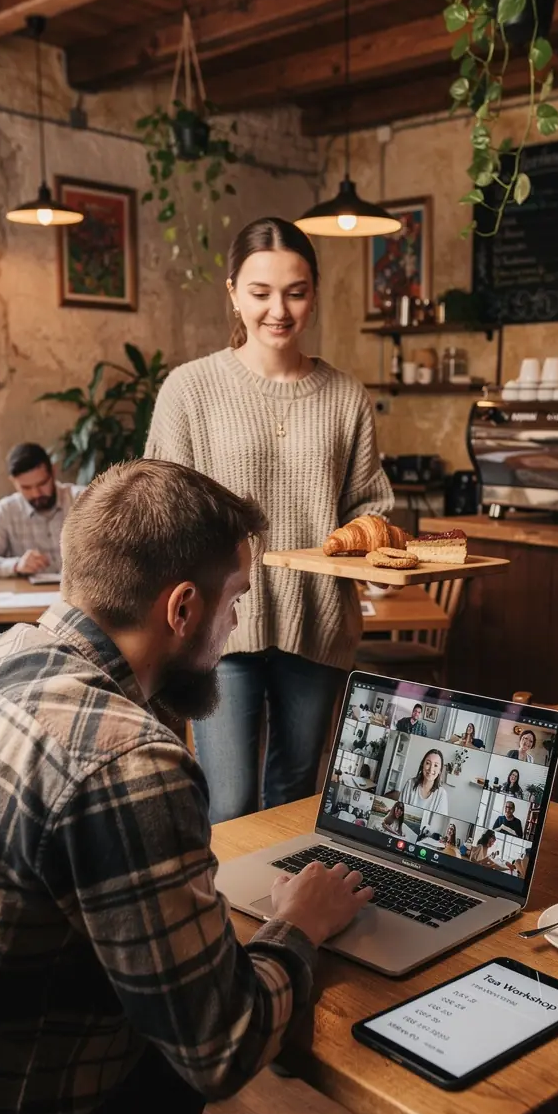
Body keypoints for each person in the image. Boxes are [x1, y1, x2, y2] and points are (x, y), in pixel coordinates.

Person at [0, 460, 394, 1114]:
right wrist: (297, 923)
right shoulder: (127, 759)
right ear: (181, 607)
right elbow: (224, 1048)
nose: (236, 623)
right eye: (235, 600)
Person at [145, 218, 394, 824]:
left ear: (314, 292)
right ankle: (225, 920)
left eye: (296, 291)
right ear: (232, 291)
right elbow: (158, 504)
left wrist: (375, 550)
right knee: (228, 804)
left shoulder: (345, 395)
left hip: (319, 618)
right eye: (260, 293)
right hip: (218, 627)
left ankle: (289, 918)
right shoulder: (191, 389)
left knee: (296, 796)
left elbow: (370, 504)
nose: (278, 310)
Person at [0, 442, 85, 577]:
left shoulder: (84, 500)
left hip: (82, 593)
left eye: (42, 484)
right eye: (26, 488)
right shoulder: (6, 510)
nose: (36, 494)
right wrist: (16, 565)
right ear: (14, 482)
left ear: (52, 472)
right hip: (31, 594)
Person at [400, 749, 448, 814]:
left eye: (436, 765)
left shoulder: (441, 794)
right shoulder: (410, 783)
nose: (431, 769)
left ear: (440, 770)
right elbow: (400, 808)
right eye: (428, 763)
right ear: (422, 765)